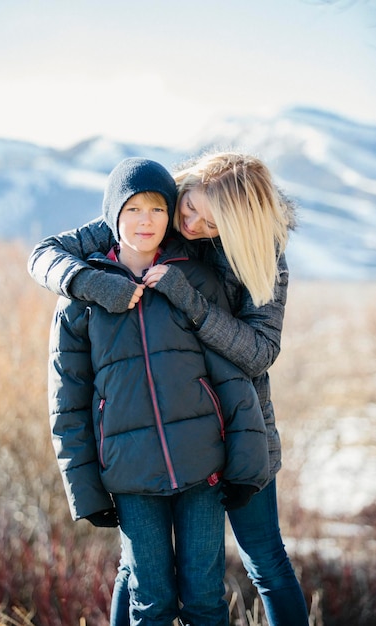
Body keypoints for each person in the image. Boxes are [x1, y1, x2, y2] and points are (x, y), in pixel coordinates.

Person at [28, 151, 310, 626]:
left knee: (262, 558)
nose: (192, 224)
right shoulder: (155, 209)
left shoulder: (262, 255)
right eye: (191, 207)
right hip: (140, 450)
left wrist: (191, 303)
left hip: (235, 427)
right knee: (138, 576)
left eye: (212, 223)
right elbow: (45, 255)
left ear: (239, 225)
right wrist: (91, 283)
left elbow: (258, 352)